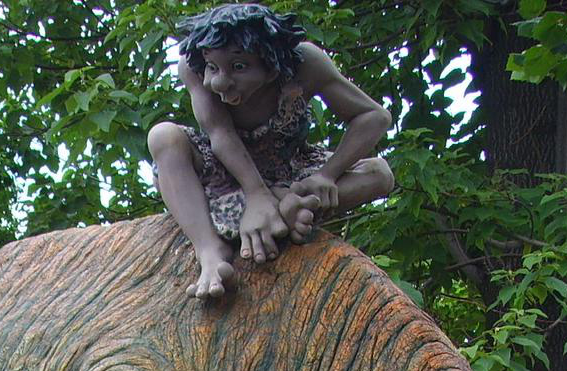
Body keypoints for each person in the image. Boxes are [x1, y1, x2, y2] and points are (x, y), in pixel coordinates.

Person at [148, 3, 394, 300]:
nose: (220, 81)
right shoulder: (193, 66)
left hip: (290, 170)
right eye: (213, 67)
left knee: (379, 174)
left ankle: (284, 206)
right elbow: (220, 134)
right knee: (163, 137)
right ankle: (210, 248)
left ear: (271, 62)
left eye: (239, 67)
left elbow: (374, 117)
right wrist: (256, 194)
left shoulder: (305, 64)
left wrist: (327, 175)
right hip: (225, 175)